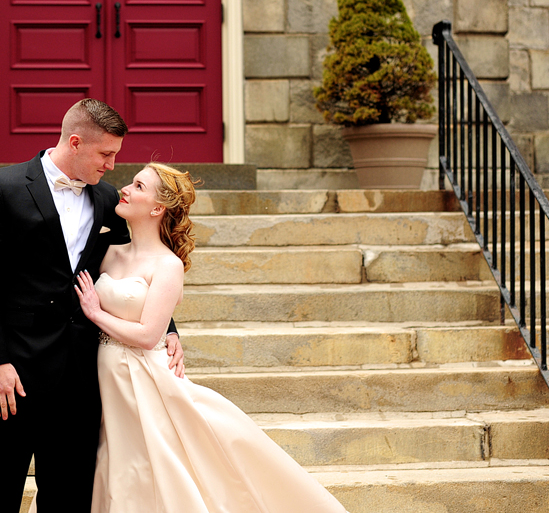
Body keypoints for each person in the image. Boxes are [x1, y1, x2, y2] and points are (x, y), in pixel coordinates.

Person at [44, 162, 350, 513]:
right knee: (117, 467)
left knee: (158, 465)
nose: (124, 189)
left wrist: (97, 313)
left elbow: (146, 334)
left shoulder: (168, 265)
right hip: (101, 380)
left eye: (139, 186)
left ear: (158, 208)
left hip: (147, 379)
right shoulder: (107, 251)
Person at [0, 99, 184, 513]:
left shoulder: (105, 200)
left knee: (69, 494)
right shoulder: (1, 188)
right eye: (106, 154)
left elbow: (138, 262)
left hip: (80, 372)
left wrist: (167, 327)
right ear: (76, 142)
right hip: (15, 368)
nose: (112, 165)